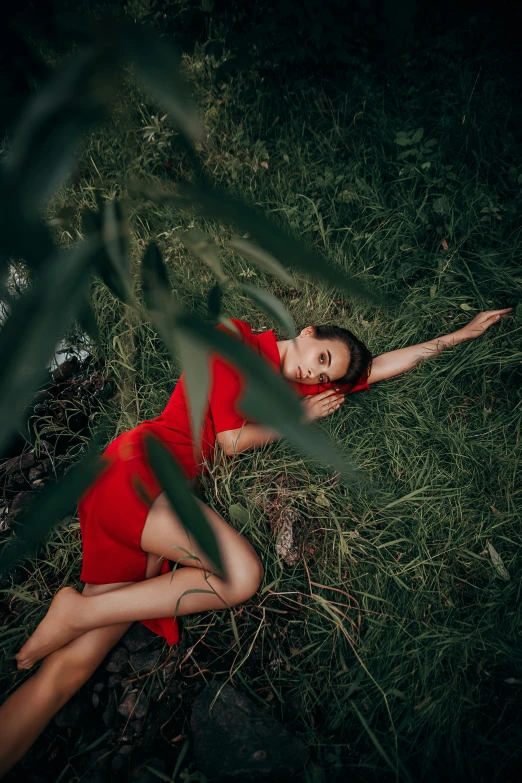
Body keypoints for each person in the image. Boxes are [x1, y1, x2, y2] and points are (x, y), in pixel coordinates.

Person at [0, 307, 512, 777]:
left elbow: (372, 369)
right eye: (322, 359)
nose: (317, 375)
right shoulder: (233, 338)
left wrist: (456, 337)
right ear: (308, 332)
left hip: (158, 508)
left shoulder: (294, 390)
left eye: (326, 376)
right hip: (142, 471)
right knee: (240, 576)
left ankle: (65, 636)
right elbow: (226, 441)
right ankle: (75, 611)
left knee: (68, 672)